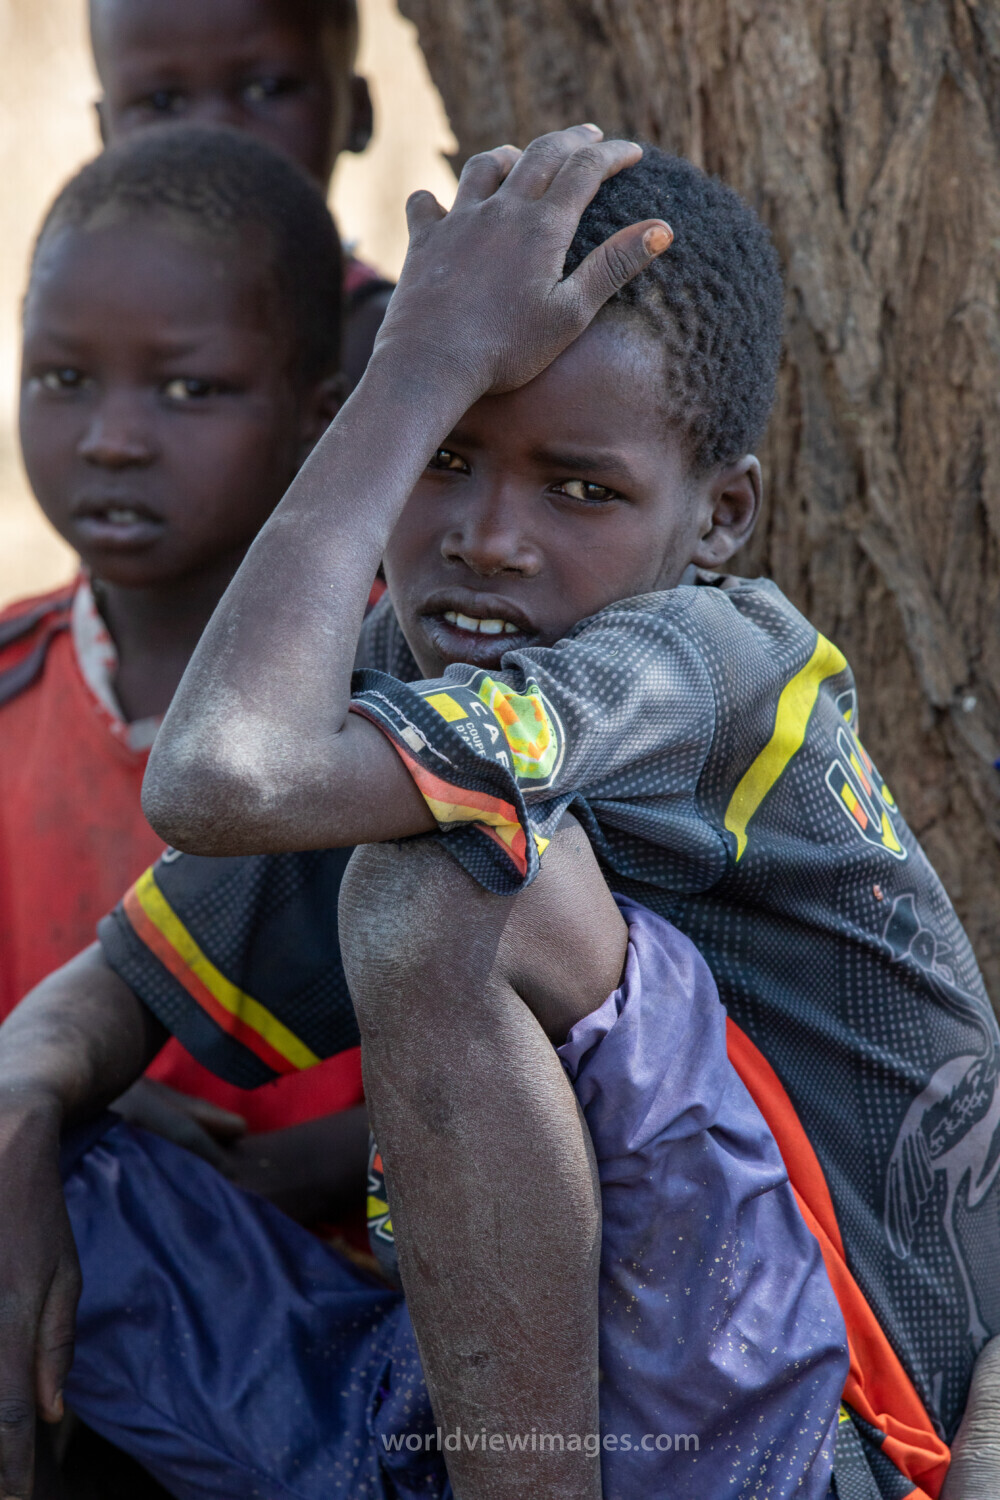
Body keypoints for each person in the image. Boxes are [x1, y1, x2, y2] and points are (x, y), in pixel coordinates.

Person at [140, 123, 1000, 1495]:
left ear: (720, 519)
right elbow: (95, 1005)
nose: (491, 536)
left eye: (582, 487)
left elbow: (214, 779)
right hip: (608, 1392)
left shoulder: (703, 668)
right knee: (79, 1190)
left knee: (449, 888)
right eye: (447, 460)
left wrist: (414, 380)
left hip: (844, 1425)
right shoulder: (423, 672)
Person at [0, 126, 371, 1214]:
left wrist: (261, 1183)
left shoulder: (409, 704)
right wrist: (64, 1099)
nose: (112, 439)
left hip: (373, 1317)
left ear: (321, 414)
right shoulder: (15, 691)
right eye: (63, 378)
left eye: (189, 390)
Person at [88, 0, 394, 388]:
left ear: (357, 112)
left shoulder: (390, 350)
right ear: (104, 133)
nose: (215, 133)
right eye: (163, 101)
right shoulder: (82, 330)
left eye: (266, 89)